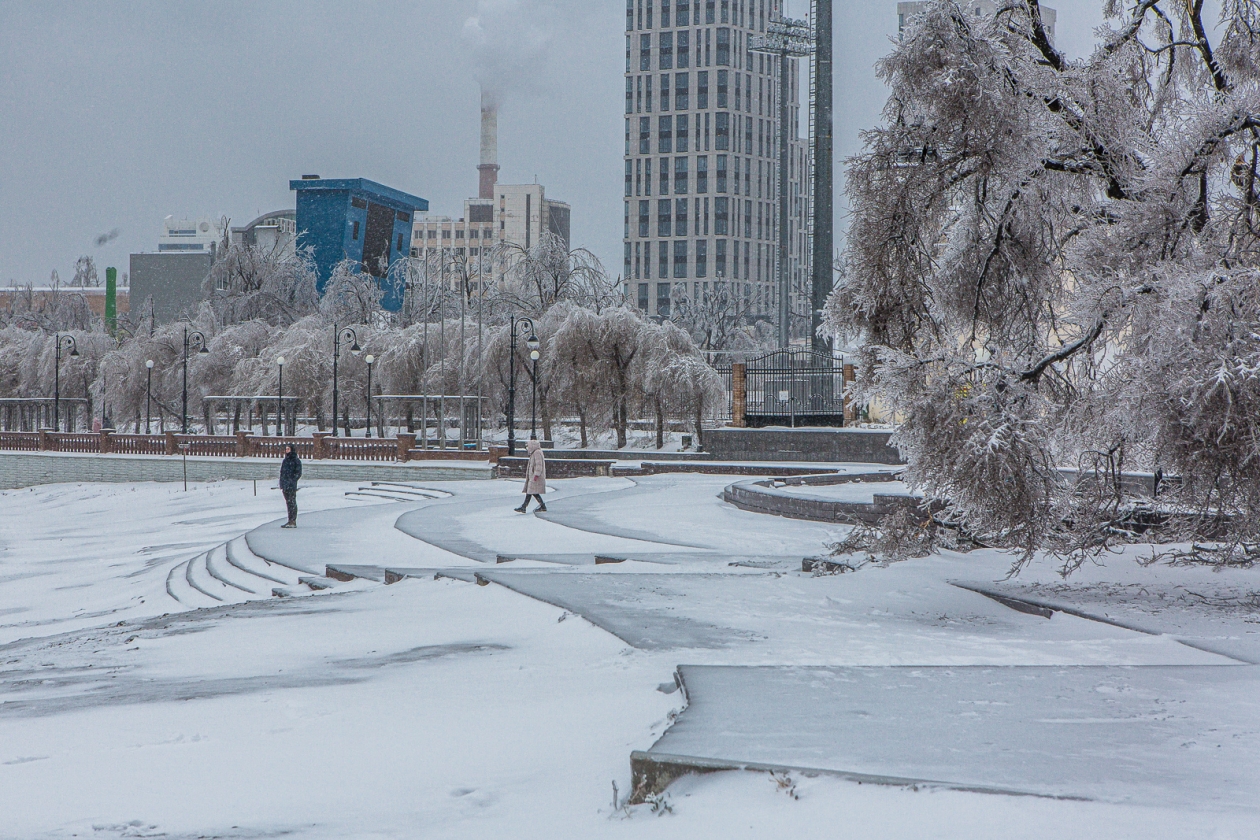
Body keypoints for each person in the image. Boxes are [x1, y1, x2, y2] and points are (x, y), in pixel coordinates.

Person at [515, 438, 547, 513]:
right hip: (533, 476)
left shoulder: (537, 453)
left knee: (531, 491)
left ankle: (524, 506)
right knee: (532, 492)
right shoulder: (535, 453)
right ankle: (541, 506)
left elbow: (539, 465)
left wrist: (536, 474)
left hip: (535, 477)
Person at [279, 445, 302, 528]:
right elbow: (282, 473)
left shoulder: (296, 461)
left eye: (288, 449)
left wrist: (292, 480)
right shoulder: (285, 461)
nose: (286, 450)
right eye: (286, 449)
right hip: (285, 485)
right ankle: (290, 520)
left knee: (292, 502)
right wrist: (282, 483)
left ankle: (293, 520)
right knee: (288, 503)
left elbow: (298, 473)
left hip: (291, 485)